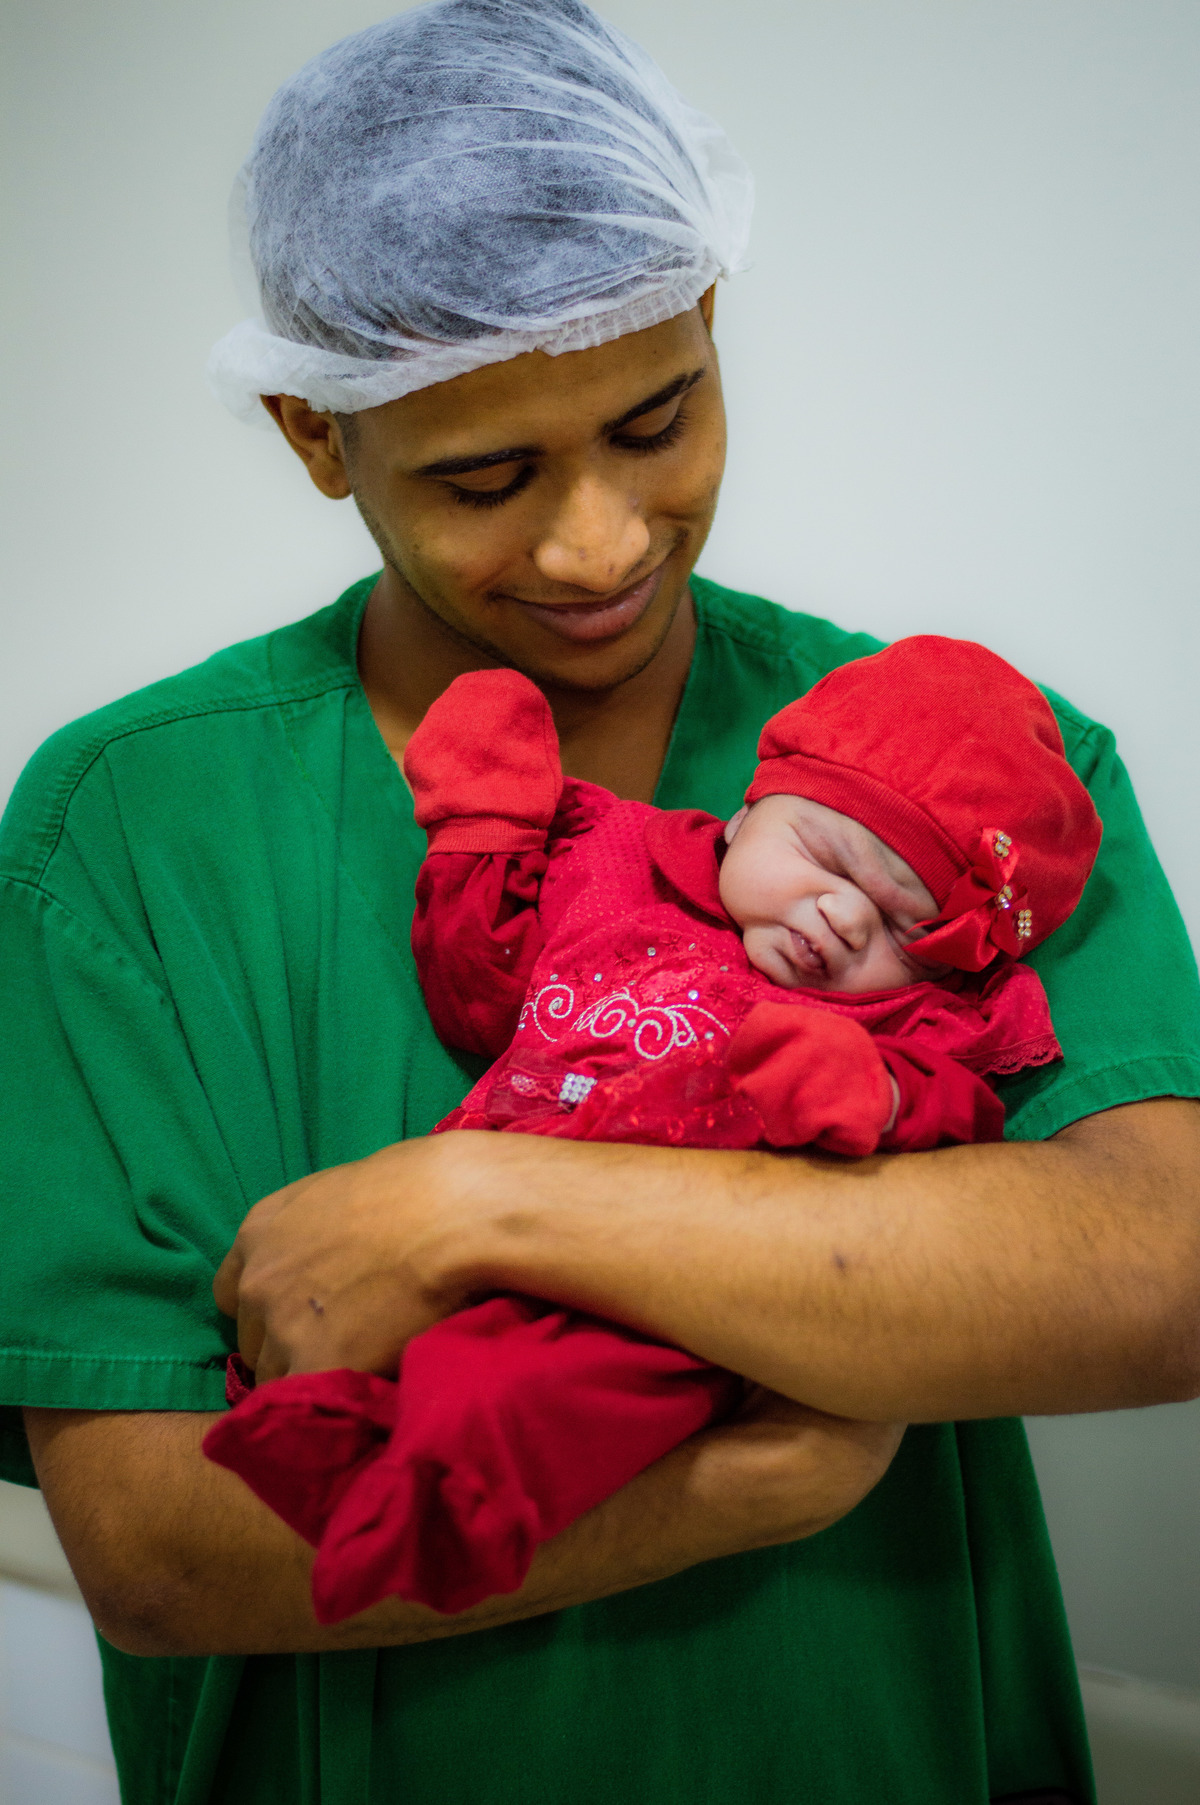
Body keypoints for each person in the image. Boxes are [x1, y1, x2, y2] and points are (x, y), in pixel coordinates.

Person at [2, 3, 1198, 1802]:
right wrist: (727, 1490)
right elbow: (154, 1544)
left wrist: (481, 1202)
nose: (599, 542)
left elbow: (1158, 1271)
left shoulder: (975, 777)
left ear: (708, 316)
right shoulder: (130, 831)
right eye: (485, 478)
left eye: (657, 420)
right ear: (317, 436)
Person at [204, 635, 1103, 1623]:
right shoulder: (617, 862)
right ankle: (335, 1426)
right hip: (482, 1205)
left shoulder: (912, 1017)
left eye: (907, 931)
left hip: (673, 1287)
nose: (847, 918)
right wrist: (483, 825)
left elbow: (957, 1111)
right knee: (382, 1320)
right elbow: (478, 991)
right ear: (750, 807)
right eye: (825, 857)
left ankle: (447, 1507)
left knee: (574, 1387)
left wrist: (873, 1091)